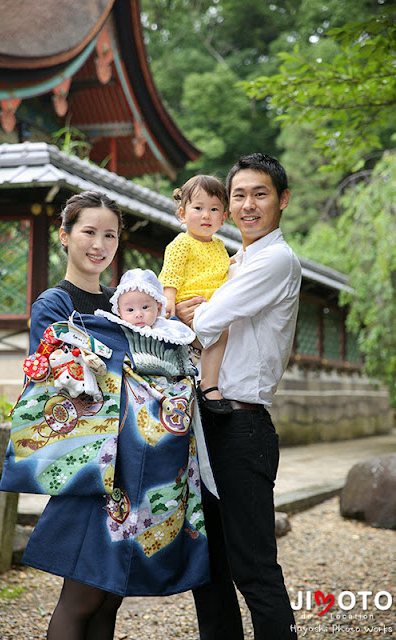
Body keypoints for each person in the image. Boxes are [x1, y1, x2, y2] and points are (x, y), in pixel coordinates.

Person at [0, 191, 210, 640]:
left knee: (110, 594)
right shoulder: (53, 306)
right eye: (88, 232)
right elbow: (60, 380)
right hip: (92, 469)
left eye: (110, 235)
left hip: (134, 471)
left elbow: (166, 362)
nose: (99, 244)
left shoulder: (129, 304)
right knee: (81, 596)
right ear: (65, 235)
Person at [177, 153, 301, 639]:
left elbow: (204, 323)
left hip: (241, 424)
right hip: (205, 420)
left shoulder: (273, 259)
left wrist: (197, 310)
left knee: (253, 568)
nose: (248, 205)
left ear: (282, 199)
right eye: (239, 196)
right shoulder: (237, 259)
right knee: (208, 569)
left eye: (260, 194)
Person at [158, 175, 232, 414]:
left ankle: (201, 374)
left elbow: (221, 270)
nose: (206, 215)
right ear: (182, 213)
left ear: (224, 216)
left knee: (221, 332)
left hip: (212, 306)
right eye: (198, 208)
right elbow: (171, 273)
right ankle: (209, 386)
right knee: (221, 332)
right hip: (191, 306)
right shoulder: (182, 243)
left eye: (214, 209)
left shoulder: (219, 246)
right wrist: (169, 299)